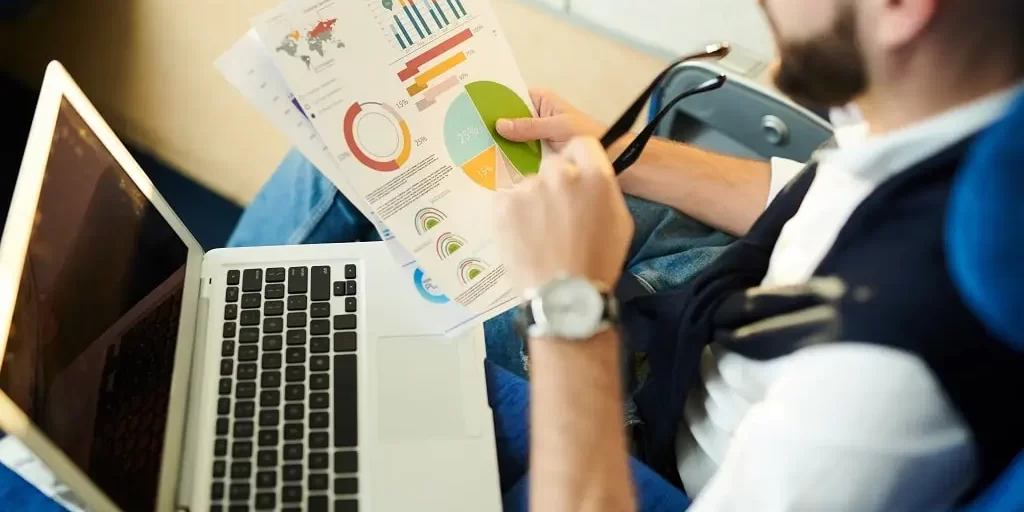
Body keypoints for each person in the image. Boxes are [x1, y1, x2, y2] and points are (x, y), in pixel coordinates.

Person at [230, 0, 1024, 509]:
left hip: (650, 453)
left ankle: (197, 425)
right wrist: (617, 154)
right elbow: (815, 193)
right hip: (721, 310)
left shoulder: (884, 381)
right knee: (351, 166)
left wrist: (570, 298)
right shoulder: (967, 123)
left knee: (358, 352)